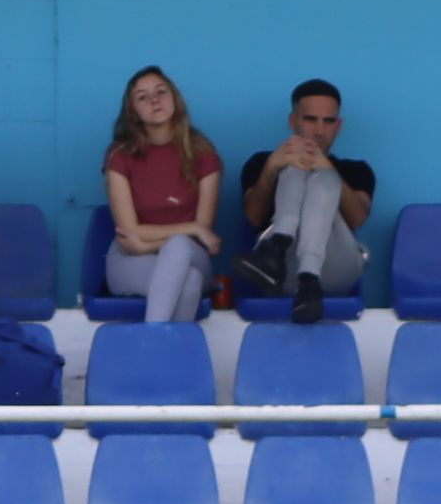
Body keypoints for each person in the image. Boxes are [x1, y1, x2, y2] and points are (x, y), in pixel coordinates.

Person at [233, 78, 373, 324]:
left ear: (338, 125)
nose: (319, 130)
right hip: (282, 274)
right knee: (293, 168)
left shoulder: (356, 170)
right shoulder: (261, 162)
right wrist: (272, 168)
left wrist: (326, 167)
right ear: (293, 120)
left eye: (328, 121)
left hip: (338, 268)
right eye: (310, 119)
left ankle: (284, 256)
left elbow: (358, 218)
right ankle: (284, 263)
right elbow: (254, 216)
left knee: (322, 176)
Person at [101, 65, 224, 325]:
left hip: (191, 253)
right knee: (188, 283)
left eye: (161, 92)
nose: (154, 100)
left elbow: (202, 233)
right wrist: (190, 229)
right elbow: (129, 229)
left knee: (180, 247)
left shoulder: (203, 153)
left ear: (175, 99)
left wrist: (149, 243)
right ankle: (170, 358)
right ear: (132, 111)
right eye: (142, 97)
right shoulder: (120, 155)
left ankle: (150, 347)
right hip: (130, 258)